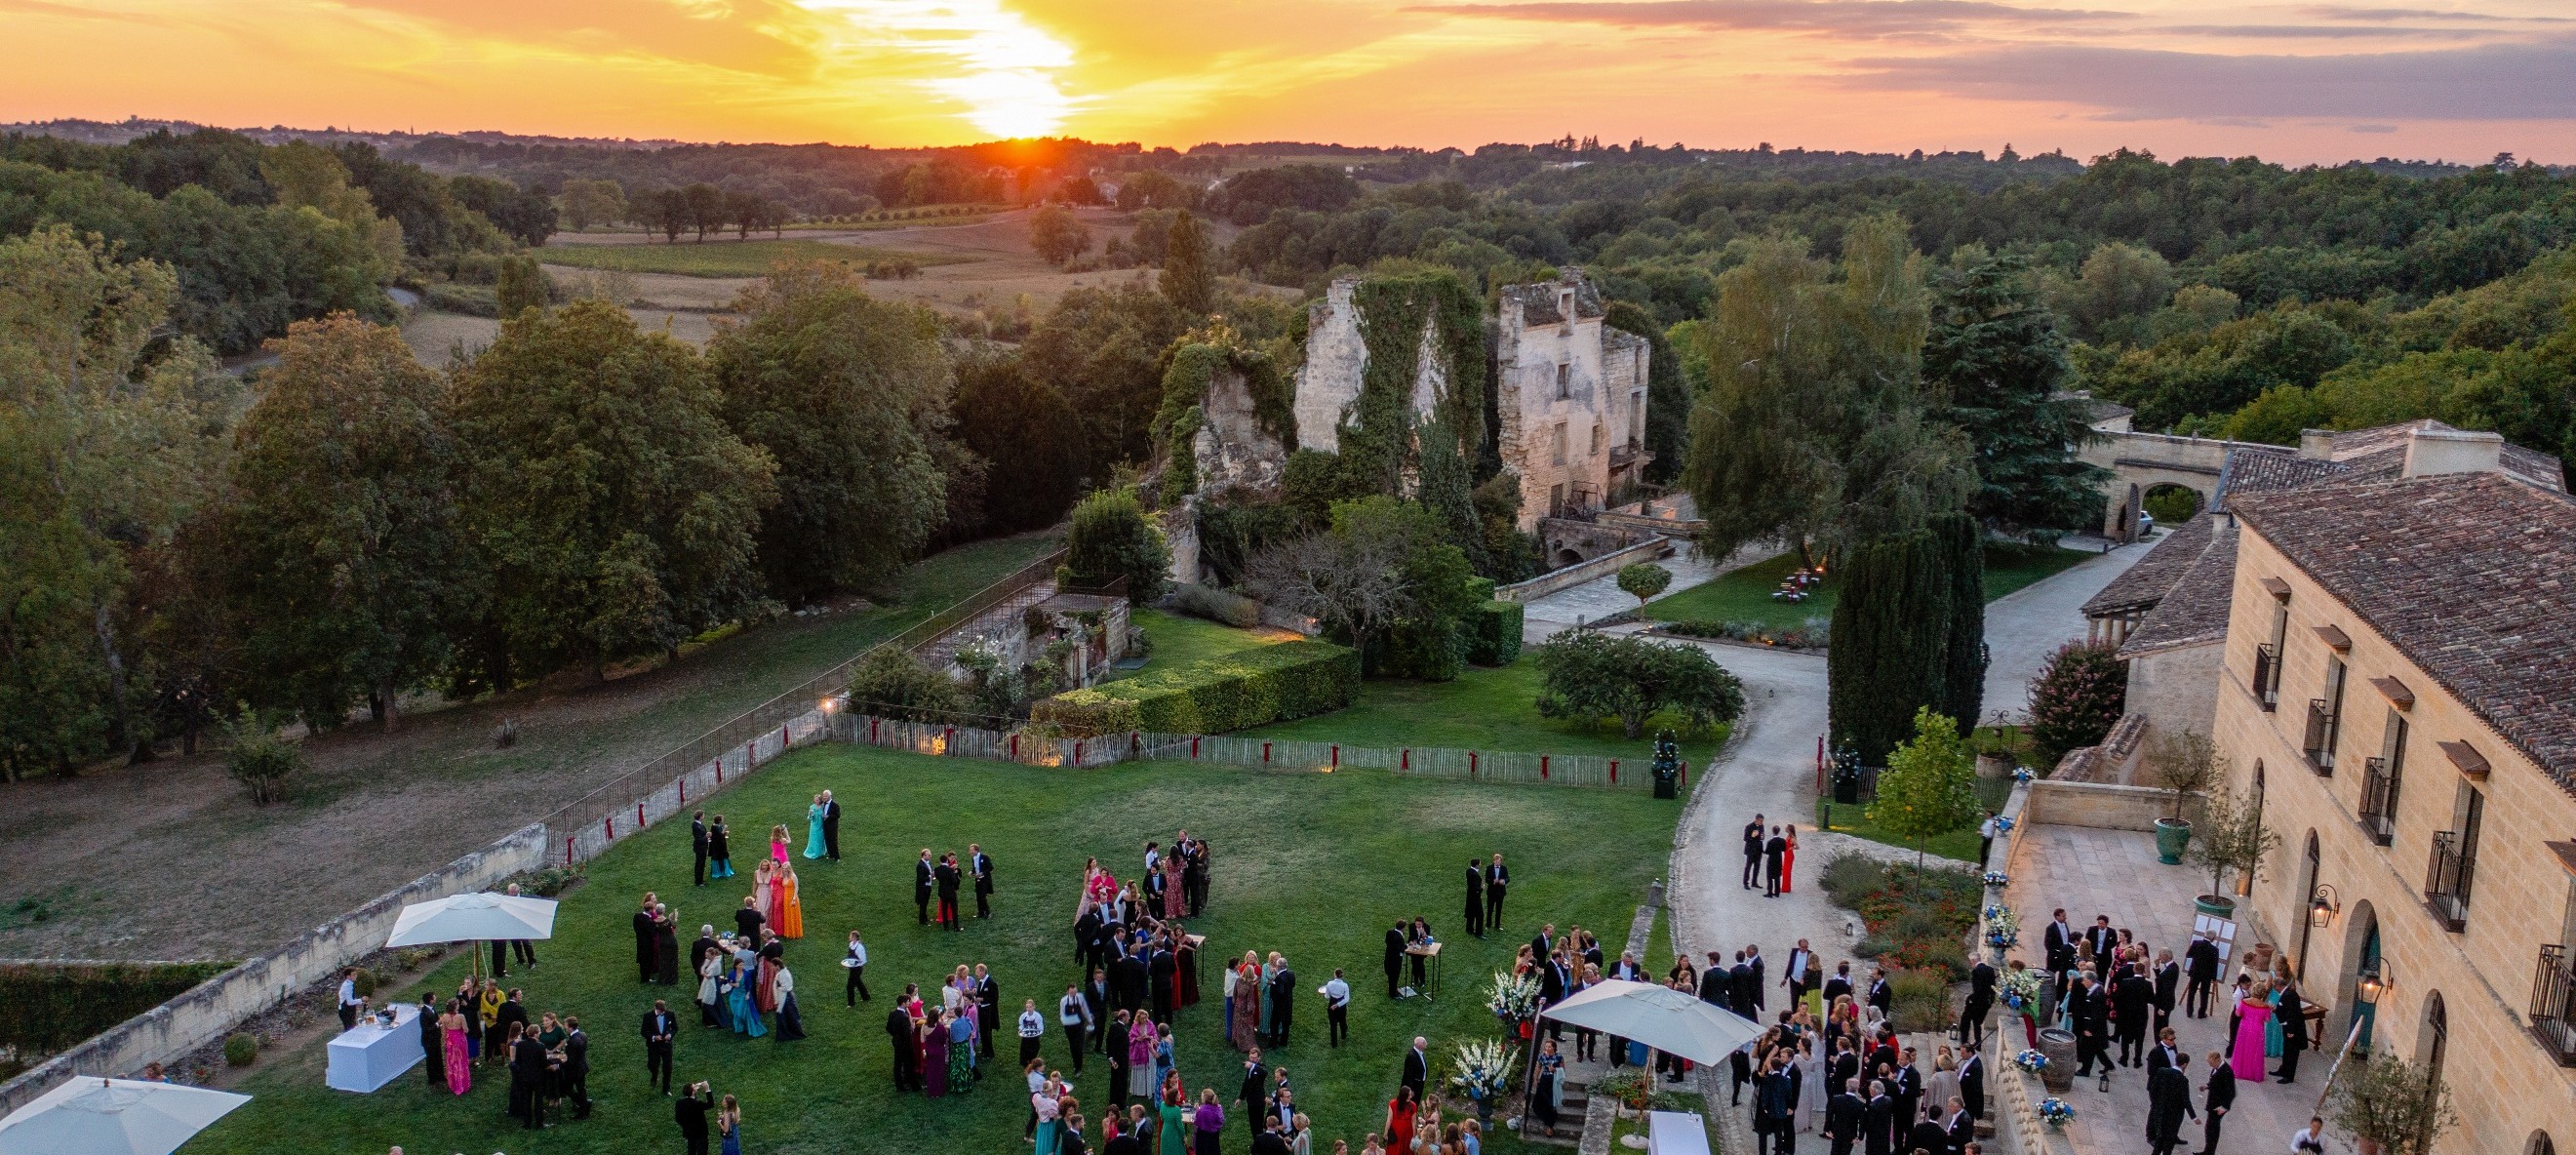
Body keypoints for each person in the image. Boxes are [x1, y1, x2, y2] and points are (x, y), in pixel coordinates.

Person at [2145, 1055, 2194, 1155]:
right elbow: (2186, 1100)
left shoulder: (2162, 1071)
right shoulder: (2183, 1080)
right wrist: (2194, 1116)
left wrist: (2155, 1103)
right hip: (2173, 1116)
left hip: (2161, 1112)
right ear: (2184, 1065)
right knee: (2168, 1145)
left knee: (2159, 1141)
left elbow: (2153, 1089)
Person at [2229, 979, 2274, 1081]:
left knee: (2242, 1049)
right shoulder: (2265, 1006)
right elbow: (2267, 1020)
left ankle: (2240, 1071)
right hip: (2257, 1030)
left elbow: (2238, 1014)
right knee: (2255, 1051)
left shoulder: (2245, 1001)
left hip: (2244, 1028)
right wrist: (2270, 1010)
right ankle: (2253, 1073)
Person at [640, 998, 677, 1095]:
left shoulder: (670, 1014)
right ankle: (654, 1075)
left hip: (666, 1045)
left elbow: (675, 1028)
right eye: (661, 1011)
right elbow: (643, 1031)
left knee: (667, 1067)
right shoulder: (648, 1016)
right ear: (656, 1008)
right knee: (652, 1065)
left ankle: (666, 1088)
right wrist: (653, 1037)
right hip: (653, 1047)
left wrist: (670, 1035)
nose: (662, 1013)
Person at [2200, 1050, 2235, 1154]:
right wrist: (2207, 1086)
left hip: (2218, 1106)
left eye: (2211, 1063)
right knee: (2209, 1128)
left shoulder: (2226, 1071)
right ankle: (2208, 1151)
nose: (2210, 1065)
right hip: (2213, 1103)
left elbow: (2231, 1092)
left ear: (2217, 1059)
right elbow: (2216, 1082)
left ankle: (2209, 1152)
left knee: (2212, 1129)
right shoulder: (2217, 1068)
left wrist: (2224, 1107)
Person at [439, 998, 472, 1095]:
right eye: (457, 1004)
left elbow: (443, 1032)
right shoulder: (461, 1016)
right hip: (460, 1040)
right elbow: (466, 1030)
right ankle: (463, 1083)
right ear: (455, 1006)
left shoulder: (444, 1017)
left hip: (450, 1041)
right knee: (461, 1061)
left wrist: (444, 1042)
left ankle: (453, 1083)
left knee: (452, 1062)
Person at [1533, 1038, 1565, 1136]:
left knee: (1550, 1103)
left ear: (1554, 1047)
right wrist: (1535, 1078)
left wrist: (1555, 1070)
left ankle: (1550, 1127)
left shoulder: (1559, 1056)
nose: (1547, 1048)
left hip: (1553, 1081)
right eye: (1546, 1046)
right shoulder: (1542, 1056)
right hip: (1544, 1080)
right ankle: (1547, 1118)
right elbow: (1539, 1067)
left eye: (1549, 1046)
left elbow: (1563, 1069)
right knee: (1538, 1103)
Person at [2184, 932, 2220, 1018]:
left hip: (2195, 972)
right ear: (2213, 938)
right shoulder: (2214, 950)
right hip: (2206, 975)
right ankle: (2201, 1013)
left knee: (2191, 992)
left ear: (2205, 935)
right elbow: (2214, 966)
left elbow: (2188, 955)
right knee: (2204, 994)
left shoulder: (2196, 943)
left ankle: (2189, 1012)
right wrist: (2214, 979)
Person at [675, 1082, 714, 1155]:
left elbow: (678, 1119)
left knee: (691, 1150)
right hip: (701, 1133)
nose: (696, 1086)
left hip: (689, 1133)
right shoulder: (697, 1104)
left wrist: (686, 1126)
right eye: (694, 1087)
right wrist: (707, 1089)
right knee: (702, 1151)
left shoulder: (679, 1103)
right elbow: (710, 1104)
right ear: (693, 1092)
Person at [1321, 969, 1351, 1047]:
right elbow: (1346, 999)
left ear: (1335, 975)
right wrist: (1338, 1004)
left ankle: (1334, 1044)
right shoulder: (1345, 985)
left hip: (1332, 1004)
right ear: (1341, 976)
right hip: (1341, 1006)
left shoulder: (1330, 984)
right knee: (1342, 1020)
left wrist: (1325, 994)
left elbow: (1327, 996)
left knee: (1333, 1024)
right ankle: (1343, 1036)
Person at [1384, 1086, 1417, 1155]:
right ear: (1403, 1096)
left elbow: (1414, 1121)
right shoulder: (1392, 1104)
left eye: (1411, 1094)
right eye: (1409, 1095)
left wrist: (1414, 1136)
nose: (1410, 1097)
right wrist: (1386, 1132)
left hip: (1407, 1134)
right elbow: (1389, 1119)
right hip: (1396, 1134)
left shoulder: (1413, 1106)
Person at [936, 852, 964, 931]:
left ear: (940, 861)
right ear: (947, 859)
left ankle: (946, 927)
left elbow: (938, 878)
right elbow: (954, 881)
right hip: (951, 892)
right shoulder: (950, 870)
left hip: (942, 892)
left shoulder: (937, 869)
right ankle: (955, 927)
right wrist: (955, 873)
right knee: (954, 909)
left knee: (944, 909)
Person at [1195, 1088, 1227, 1155]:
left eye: (1202, 1097)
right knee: (1214, 1150)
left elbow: (1197, 1122)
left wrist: (1197, 1110)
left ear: (1204, 1098)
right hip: (1215, 1134)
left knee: (1204, 1151)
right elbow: (1221, 1120)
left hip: (1204, 1136)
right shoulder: (1218, 1107)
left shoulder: (1203, 1110)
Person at [1741, 813, 1766, 889]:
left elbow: (1761, 837)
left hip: (1758, 850)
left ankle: (1754, 882)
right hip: (1751, 850)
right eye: (1761, 821)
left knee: (1757, 867)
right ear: (1756, 820)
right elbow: (1745, 838)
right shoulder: (1749, 827)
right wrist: (1752, 836)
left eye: (1762, 821)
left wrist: (1762, 837)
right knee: (1748, 866)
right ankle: (1746, 883)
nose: (1762, 822)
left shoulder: (1762, 826)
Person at [1462, 857, 1485, 937]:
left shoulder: (1468, 871)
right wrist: (1482, 888)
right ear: (1477, 865)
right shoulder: (1475, 875)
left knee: (1470, 913)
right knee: (1480, 915)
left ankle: (1469, 929)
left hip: (1470, 897)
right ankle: (1479, 933)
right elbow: (1476, 888)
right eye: (1480, 863)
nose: (1480, 864)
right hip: (1475, 898)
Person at [1383, 922, 1407, 998]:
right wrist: (1407, 945)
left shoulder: (1390, 932)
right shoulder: (1399, 937)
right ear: (1403, 928)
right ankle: (1393, 994)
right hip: (1395, 960)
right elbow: (1401, 949)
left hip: (1389, 957)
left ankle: (1393, 990)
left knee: (1391, 976)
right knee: (1394, 976)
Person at [972, 844, 997, 918]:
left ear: (976, 850)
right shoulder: (973, 858)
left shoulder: (985, 857)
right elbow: (975, 868)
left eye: (971, 850)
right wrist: (972, 872)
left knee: (983, 897)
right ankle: (981, 912)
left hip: (985, 880)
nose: (970, 852)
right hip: (978, 880)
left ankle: (988, 912)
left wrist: (982, 873)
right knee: (978, 896)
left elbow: (990, 868)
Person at [1485, 854, 1508, 929]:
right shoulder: (1489, 868)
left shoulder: (1504, 868)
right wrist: (1493, 881)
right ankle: (1488, 925)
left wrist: (1503, 881)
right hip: (1491, 892)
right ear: (1494, 861)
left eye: (1499, 861)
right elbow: (1486, 879)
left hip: (1500, 892)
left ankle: (1497, 926)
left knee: (1499, 909)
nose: (1498, 863)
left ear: (1501, 861)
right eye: (1496, 861)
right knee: (1490, 909)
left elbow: (1508, 878)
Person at [1764, 825, 1788, 897]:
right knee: (1777, 876)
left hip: (1771, 860)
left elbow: (1767, 852)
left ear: (1773, 831)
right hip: (1779, 859)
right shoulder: (1782, 840)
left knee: (1770, 877)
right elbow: (1784, 849)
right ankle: (1777, 892)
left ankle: (1770, 892)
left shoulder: (1770, 842)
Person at [337, 967, 364, 1031]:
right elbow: (349, 1002)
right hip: (346, 1011)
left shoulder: (349, 984)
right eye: (354, 974)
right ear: (348, 977)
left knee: (352, 1029)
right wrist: (361, 999)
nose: (356, 976)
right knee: (350, 1031)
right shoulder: (347, 986)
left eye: (356, 974)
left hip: (349, 1010)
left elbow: (351, 998)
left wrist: (360, 1002)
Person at [707, 815, 733, 879]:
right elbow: (719, 835)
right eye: (722, 818)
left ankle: (724, 870)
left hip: (721, 845)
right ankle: (719, 872)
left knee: (723, 856)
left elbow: (721, 834)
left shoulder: (718, 826)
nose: (723, 819)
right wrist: (724, 829)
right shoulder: (714, 827)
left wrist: (725, 833)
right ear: (719, 820)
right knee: (718, 857)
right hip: (717, 846)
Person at [804, 793, 828, 859]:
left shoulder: (823, 806)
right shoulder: (812, 807)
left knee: (820, 838)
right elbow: (810, 818)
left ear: (820, 800)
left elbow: (826, 815)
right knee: (814, 838)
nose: (816, 801)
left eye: (817, 800)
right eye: (815, 800)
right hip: (814, 825)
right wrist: (810, 814)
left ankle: (821, 851)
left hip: (821, 825)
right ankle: (814, 851)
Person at [917, 848, 937, 926]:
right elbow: (921, 878)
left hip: (928, 886)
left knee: (925, 903)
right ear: (924, 856)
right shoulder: (920, 865)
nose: (930, 856)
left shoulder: (927, 862)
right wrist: (930, 876)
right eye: (929, 855)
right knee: (923, 904)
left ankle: (925, 918)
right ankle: (922, 921)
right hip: (923, 888)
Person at [692, 811, 710, 887]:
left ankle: (700, 880)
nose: (704, 816)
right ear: (700, 816)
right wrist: (707, 836)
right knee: (700, 864)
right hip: (700, 848)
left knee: (701, 864)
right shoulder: (696, 826)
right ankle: (699, 882)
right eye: (703, 815)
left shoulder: (699, 824)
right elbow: (699, 840)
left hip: (702, 847)